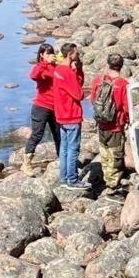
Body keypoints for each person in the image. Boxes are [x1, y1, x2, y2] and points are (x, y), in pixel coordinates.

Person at [88, 53, 129, 193]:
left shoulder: (98, 81)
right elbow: (126, 107)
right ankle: (112, 185)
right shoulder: (123, 84)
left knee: (104, 152)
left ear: (108, 64)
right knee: (115, 154)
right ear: (121, 66)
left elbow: (93, 100)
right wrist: (127, 120)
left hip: (101, 123)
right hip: (116, 126)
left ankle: (106, 177)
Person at [52, 43, 88, 188]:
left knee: (64, 147)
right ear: (70, 55)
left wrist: (79, 69)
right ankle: (72, 179)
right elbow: (78, 94)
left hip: (60, 114)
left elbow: (77, 82)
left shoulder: (58, 70)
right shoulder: (67, 73)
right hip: (71, 114)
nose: (78, 55)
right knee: (73, 148)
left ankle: (63, 177)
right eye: (76, 53)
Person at [23, 43, 60, 176]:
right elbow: (33, 75)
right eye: (48, 53)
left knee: (58, 134)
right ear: (42, 55)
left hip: (55, 107)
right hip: (41, 106)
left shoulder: (56, 68)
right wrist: (45, 63)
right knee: (37, 134)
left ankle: (61, 160)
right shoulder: (40, 67)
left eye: (52, 53)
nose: (51, 56)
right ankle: (27, 163)